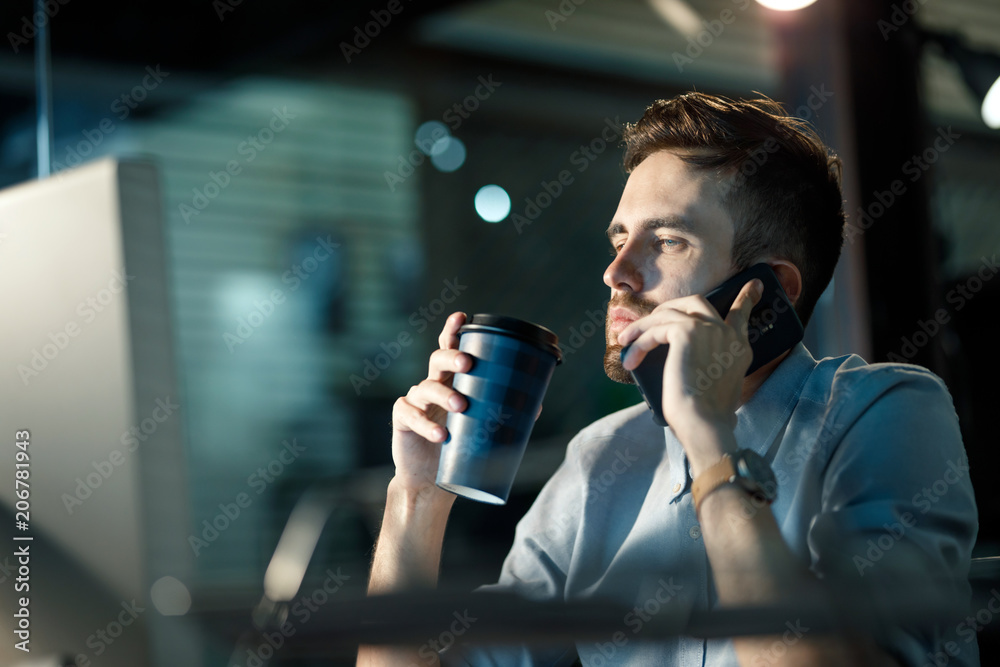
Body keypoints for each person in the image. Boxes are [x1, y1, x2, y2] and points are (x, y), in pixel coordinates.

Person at [356, 92, 979, 666]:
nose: (616, 273)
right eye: (620, 238)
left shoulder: (890, 410)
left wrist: (709, 438)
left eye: (668, 242)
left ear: (766, 296)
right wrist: (416, 496)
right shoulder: (599, 459)